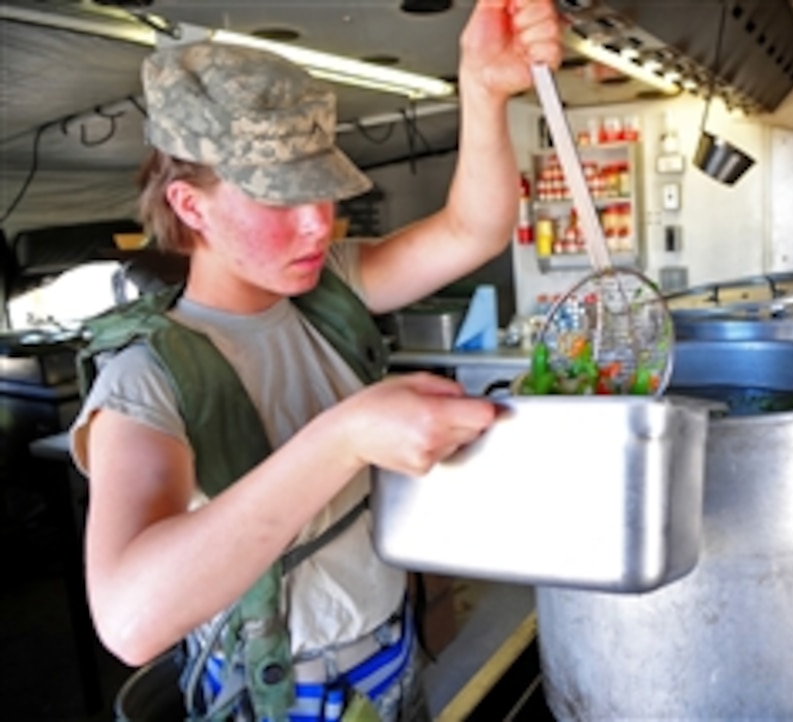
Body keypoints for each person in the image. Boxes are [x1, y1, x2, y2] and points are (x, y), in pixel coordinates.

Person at [69, 1, 560, 720]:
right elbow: (131, 621)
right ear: (190, 206)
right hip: (282, 696)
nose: (317, 223)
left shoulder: (328, 286)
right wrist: (346, 435)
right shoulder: (147, 379)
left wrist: (482, 91)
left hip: (393, 665)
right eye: (280, 199)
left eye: (323, 192)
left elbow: (472, 228)